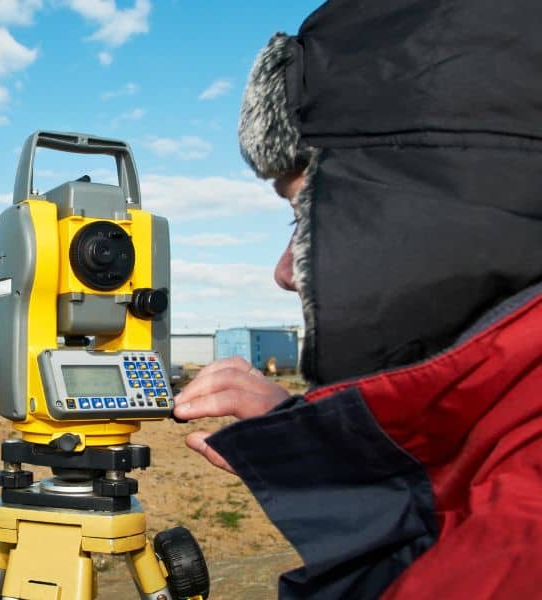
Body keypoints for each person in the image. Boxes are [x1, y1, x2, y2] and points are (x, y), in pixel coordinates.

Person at [173, 2, 542, 599]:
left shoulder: (515, 550)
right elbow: (446, 518)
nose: (284, 272)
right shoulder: (515, 460)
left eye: (309, 214)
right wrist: (333, 451)